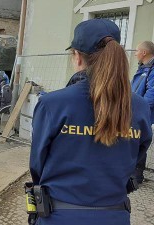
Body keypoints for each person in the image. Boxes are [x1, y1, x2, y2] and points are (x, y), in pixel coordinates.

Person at [30, 19, 152, 225]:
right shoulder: (139, 107)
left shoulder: (52, 104)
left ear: (77, 57)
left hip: (60, 215)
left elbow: (37, 164)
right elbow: (138, 153)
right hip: (115, 215)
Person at [131, 41, 154, 183]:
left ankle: (136, 175)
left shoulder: (151, 69)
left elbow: (152, 93)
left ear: (144, 53)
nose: (135, 53)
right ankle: (132, 171)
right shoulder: (143, 69)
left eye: (137, 50)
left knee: (139, 139)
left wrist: (139, 109)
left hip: (142, 112)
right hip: (134, 110)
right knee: (134, 139)